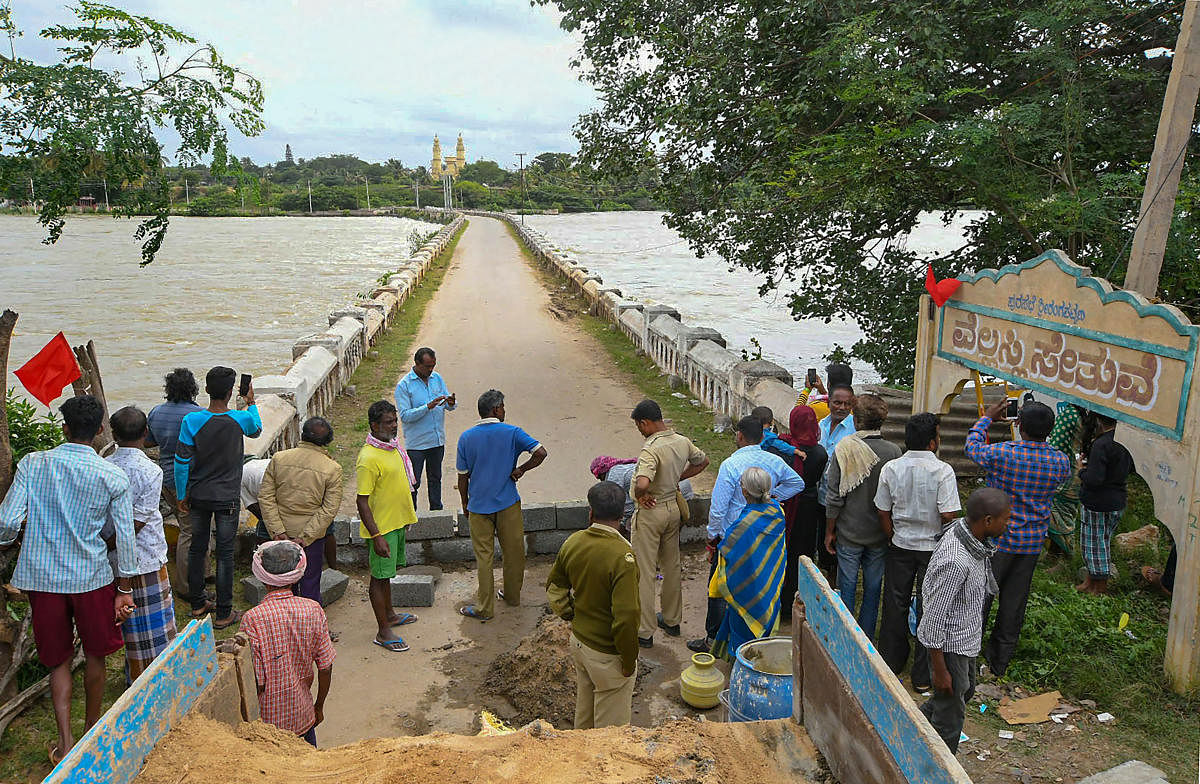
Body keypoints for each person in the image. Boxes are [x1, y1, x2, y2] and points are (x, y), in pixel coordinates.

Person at [0, 395, 137, 764]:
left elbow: (7, 521)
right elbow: (125, 537)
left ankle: (65, 742)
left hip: (43, 579)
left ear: (63, 428)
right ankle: (92, 729)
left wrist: (9, 540)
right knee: (95, 654)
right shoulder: (112, 474)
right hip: (90, 577)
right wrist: (124, 590)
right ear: (98, 432)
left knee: (57, 659)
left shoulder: (34, 463)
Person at [966, 399, 1071, 678]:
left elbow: (972, 448)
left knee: (981, 597)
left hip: (998, 542)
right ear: (1050, 429)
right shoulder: (1059, 461)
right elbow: (1068, 475)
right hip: (1032, 542)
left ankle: (968, 655)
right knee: (1014, 603)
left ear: (1019, 424)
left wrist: (987, 418)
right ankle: (998, 663)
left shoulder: (1003, 454)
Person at [688, 415, 804, 653]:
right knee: (759, 581)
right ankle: (759, 636)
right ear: (762, 436)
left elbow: (718, 509)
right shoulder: (774, 463)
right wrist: (772, 497)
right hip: (762, 537)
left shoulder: (731, 465)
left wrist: (712, 539)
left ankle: (714, 639)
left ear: (739, 435)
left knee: (722, 586)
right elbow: (797, 483)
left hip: (734, 538)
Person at [918, 487, 1011, 754]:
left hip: (965, 640)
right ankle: (938, 768)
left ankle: (915, 727)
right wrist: (939, 669)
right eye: (1006, 518)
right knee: (950, 718)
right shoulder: (956, 560)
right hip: (949, 647)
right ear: (988, 521)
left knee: (961, 692)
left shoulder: (969, 536)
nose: (1009, 523)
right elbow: (933, 619)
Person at [874, 413, 961, 689]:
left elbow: (882, 509)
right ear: (933, 442)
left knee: (895, 605)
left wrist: (892, 536)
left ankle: (891, 663)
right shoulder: (943, 471)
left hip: (900, 543)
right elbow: (949, 513)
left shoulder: (891, 468)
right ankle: (923, 677)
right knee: (929, 608)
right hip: (933, 548)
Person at [546, 481, 641, 729]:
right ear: (622, 516)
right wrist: (629, 661)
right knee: (611, 735)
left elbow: (555, 590)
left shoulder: (574, 542)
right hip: (607, 653)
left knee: (585, 715)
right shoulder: (623, 556)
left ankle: (580, 762)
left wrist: (572, 616)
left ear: (591, 513)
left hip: (580, 643)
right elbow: (627, 617)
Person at [175, 366, 262, 630]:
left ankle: (198, 603)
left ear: (206, 390)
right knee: (224, 555)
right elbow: (256, 429)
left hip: (198, 495)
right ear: (229, 391)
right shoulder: (239, 418)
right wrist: (251, 401)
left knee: (197, 548)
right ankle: (224, 612)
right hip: (227, 498)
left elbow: (181, 462)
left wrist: (182, 494)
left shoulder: (191, 420)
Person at [457, 389, 547, 621]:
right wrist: (521, 470)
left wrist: (465, 504)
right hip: (508, 502)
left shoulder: (466, 437)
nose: (505, 411)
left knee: (484, 558)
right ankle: (512, 597)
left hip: (478, 506)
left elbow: (462, 476)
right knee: (514, 552)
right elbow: (540, 452)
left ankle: (484, 608)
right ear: (496, 409)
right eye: (503, 407)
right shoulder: (512, 432)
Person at [627, 399, 709, 648]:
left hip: (651, 513)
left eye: (640, 427)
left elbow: (642, 482)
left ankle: (644, 630)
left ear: (646, 423)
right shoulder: (681, 441)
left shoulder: (650, 449)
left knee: (644, 570)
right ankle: (672, 620)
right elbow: (703, 461)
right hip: (673, 508)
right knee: (671, 565)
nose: (640, 432)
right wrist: (678, 477)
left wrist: (642, 495)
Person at [105, 406, 177, 683]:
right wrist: (114, 543)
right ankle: (156, 679)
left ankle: (133, 675)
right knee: (156, 626)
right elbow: (138, 522)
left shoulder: (105, 465)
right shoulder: (150, 470)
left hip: (112, 558)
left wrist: (105, 545)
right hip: (143, 556)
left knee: (131, 624)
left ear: (114, 434)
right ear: (146, 433)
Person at [240, 540, 335, 747]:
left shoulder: (252, 619)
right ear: (296, 576)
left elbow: (258, 681)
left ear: (262, 578)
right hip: (303, 714)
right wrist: (318, 706)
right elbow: (325, 667)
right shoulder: (313, 609)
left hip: (267, 724)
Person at [824, 393, 901, 641]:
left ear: (856, 421)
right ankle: (866, 637)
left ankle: (846, 637)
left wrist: (829, 531)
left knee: (846, 586)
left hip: (849, 532)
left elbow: (834, 495)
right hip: (879, 533)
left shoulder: (844, 448)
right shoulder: (894, 452)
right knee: (872, 588)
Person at [356, 401, 421, 651]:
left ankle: (391, 615)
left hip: (396, 524)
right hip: (381, 530)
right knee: (378, 579)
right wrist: (377, 536)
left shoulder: (391, 447)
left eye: (395, 421)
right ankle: (383, 631)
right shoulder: (368, 458)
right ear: (374, 426)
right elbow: (362, 502)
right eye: (388, 422)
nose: (394, 426)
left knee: (386, 577)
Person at [258, 417, 344, 603]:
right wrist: (305, 537)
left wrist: (278, 531)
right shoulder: (332, 468)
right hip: (310, 539)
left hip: (278, 536)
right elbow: (329, 509)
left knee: (279, 585)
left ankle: (282, 626)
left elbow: (266, 497)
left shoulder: (279, 459)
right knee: (310, 585)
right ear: (328, 441)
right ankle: (311, 626)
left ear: (302, 435)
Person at [711, 468, 788, 660]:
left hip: (746, 591)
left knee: (742, 636)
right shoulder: (778, 511)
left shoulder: (744, 524)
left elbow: (727, 549)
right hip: (768, 585)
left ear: (745, 492)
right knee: (763, 632)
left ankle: (742, 676)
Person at [146, 367, 203, 598]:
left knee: (190, 527)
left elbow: (150, 442)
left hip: (167, 478)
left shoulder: (156, 412)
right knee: (191, 532)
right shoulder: (198, 415)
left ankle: (202, 573)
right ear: (193, 390)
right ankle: (186, 586)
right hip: (191, 479)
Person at [778, 404, 828, 622]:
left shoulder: (782, 448)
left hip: (786, 503)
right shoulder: (820, 453)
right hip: (808, 506)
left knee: (783, 551)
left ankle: (778, 599)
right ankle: (796, 600)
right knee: (803, 553)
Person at [1076, 413, 1133, 595]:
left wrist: (1081, 472)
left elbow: (1094, 479)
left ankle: (1099, 587)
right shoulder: (1125, 441)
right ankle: (1090, 580)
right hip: (1117, 499)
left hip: (1097, 502)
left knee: (1093, 545)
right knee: (1103, 541)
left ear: (1099, 420)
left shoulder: (1101, 444)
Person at [394, 347, 456, 511]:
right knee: (415, 482)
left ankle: (437, 512)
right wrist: (427, 407)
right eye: (427, 367)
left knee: (436, 478)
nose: (430, 370)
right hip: (417, 445)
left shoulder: (437, 378)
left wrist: (450, 403)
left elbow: (447, 405)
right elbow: (405, 416)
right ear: (417, 364)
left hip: (436, 440)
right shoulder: (404, 386)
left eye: (433, 366)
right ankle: (412, 516)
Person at [588, 455, 696, 534]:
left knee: (634, 525)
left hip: (675, 491)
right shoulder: (625, 467)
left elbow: (624, 507)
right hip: (682, 487)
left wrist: (620, 526)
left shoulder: (613, 476)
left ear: (601, 474)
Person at [1046, 402, 1085, 555]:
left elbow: (1057, 445)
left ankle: (1063, 556)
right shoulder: (1085, 414)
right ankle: (1057, 556)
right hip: (1079, 474)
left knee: (1058, 518)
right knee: (1067, 516)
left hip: (1065, 477)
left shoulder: (1070, 414)